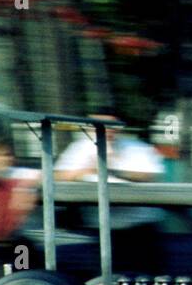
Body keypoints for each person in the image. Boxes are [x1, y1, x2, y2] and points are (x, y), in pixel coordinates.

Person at [55, 112, 167, 274]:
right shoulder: (80, 149)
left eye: (111, 126)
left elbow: (150, 176)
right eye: (100, 125)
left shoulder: (137, 148)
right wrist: (86, 170)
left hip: (140, 233)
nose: (107, 130)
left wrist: (112, 169)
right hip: (100, 234)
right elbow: (57, 176)